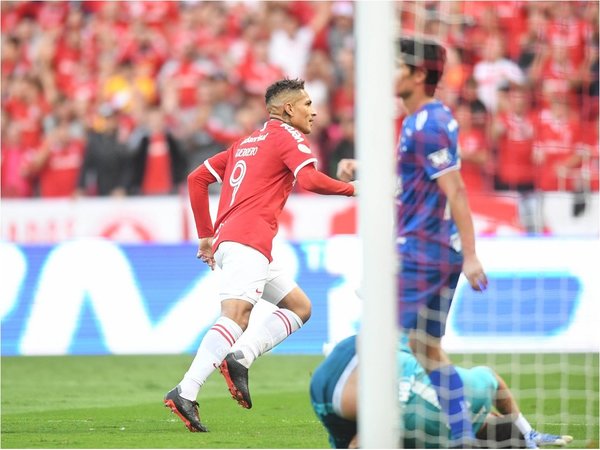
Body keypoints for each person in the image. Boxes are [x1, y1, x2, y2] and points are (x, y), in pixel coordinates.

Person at [164, 78, 356, 432]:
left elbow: (196, 179)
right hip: (248, 241)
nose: (313, 112)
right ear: (287, 109)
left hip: (237, 240)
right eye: (307, 104)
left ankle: (240, 358)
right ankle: (185, 391)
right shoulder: (287, 137)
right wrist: (354, 189)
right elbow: (311, 181)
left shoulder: (244, 143)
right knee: (236, 316)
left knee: (300, 307)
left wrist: (206, 235)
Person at [337, 37, 489, 447]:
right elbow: (413, 179)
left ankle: (367, 438)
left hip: (422, 252)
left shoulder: (429, 125)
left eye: (397, 67)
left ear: (418, 75)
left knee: (373, 342)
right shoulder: (421, 120)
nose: (388, 74)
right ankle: (463, 437)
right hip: (437, 251)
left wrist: (473, 255)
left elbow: (456, 191)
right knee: (426, 348)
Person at [310, 334, 574, 449]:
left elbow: (493, 379)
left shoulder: (475, 391)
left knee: (418, 350)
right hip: (331, 401)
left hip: (358, 351)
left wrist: (528, 432)